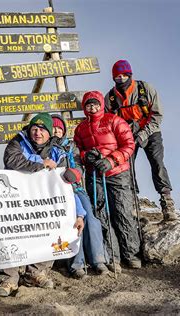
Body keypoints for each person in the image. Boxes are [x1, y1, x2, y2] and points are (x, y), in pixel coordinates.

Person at [0, 113, 82, 296]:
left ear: (50, 132)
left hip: (43, 204)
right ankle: (8, 278)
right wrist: (40, 164)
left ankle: (36, 272)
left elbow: (66, 185)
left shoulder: (58, 151)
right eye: (34, 129)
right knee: (9, 234)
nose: (37, 133)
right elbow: (12, 161)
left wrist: (80, 213)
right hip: (16, 201)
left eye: (42, 129)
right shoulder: (17, 142)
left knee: (51, 228)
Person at [74, 91, 141, 271]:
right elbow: (77, 152)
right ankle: (112, 256)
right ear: (84, 107)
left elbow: (129, 144)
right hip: (95, 175)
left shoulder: (114, 121)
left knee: (122, 212)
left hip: (117, 173)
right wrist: (87, 156)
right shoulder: (80, 129)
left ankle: (131, 253)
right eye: (88, 105)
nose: (92, 107)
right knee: (101, 215)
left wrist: (111, 160)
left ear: (101, 104)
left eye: (95, 104)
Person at [105, 60, 177, 221]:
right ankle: (132, 203)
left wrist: (143, 134)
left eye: (125, 75)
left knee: (157, 163)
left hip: (151, 132)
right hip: (126, 136)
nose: (122, 79)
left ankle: (167, 202)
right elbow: (109, 123)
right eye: (118, 77)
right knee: (126, 167)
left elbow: (157, 115)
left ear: (130, 75)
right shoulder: (109, 98)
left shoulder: (146, 89)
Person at [52, 115, 109, 278]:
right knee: (74, 221)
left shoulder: (71, 146)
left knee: (91, 219)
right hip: (61, 192)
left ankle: (98, 259)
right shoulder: (47, 149)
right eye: (53, 128)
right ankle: (77, 263)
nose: (56, 131)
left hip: (76, 188)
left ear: (63, 130)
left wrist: (75, 173)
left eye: (59, 128)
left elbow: (78, 166)